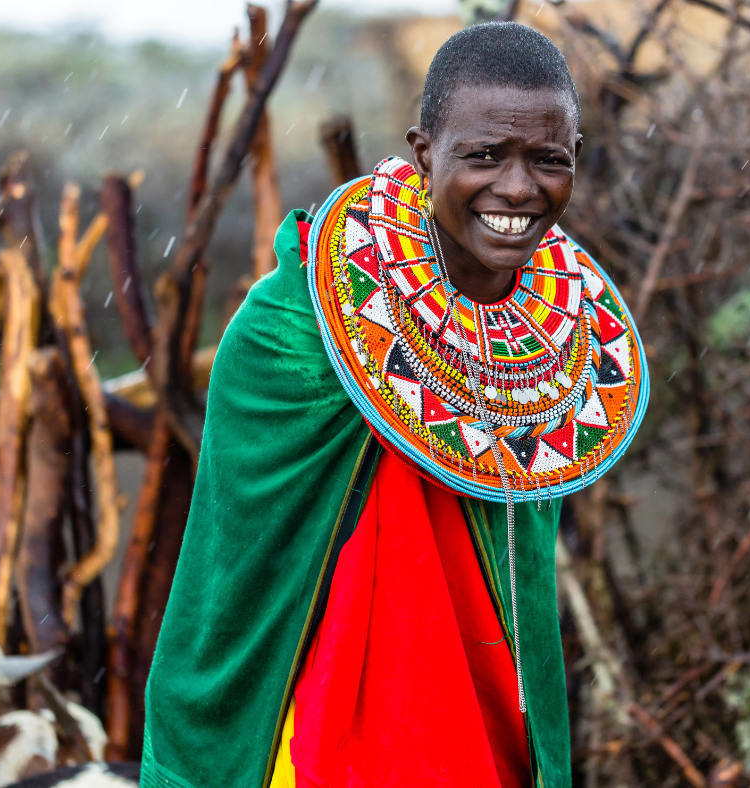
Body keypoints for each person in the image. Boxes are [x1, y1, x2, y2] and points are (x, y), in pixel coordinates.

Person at [141, 22, 648, 788]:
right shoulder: (290, 335)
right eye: (482, 156)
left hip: (485, 741)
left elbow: (520, 596)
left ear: (575, 160)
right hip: (308, 745)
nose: (517, 189)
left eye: (547, 160)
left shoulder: (562, 351)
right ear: (422, 152)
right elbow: (233, 585)